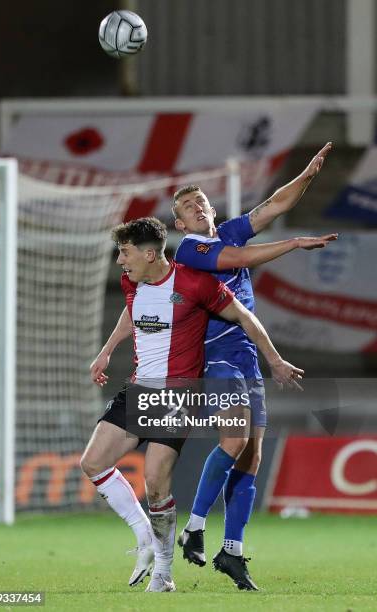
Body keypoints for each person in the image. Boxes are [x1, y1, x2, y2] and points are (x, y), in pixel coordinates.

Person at [82, 216, 304, 593]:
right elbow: (131, 309)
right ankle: (145, 538)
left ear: (151, 254)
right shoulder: (132, 281)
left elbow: (245, 316)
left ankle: (164, 573)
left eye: (125, 252)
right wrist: (106, 351)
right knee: (93, 462)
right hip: (139, 388)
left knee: (155, 485)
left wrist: (275, 359)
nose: (120, 261)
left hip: (178, 394)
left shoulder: (195, 283)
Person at [173, 142, 336, 590]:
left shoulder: (228, 231)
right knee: (234, 438)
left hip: (247, 355)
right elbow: (241, 261)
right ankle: (193, 525)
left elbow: (273, 205)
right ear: (180, 222)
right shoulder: (189, 252)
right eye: (188, 206)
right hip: (219, 355)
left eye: (201, 201)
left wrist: (308, 175)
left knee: (252, 454)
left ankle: (233, 551)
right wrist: (295, 243)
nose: (197, 207)